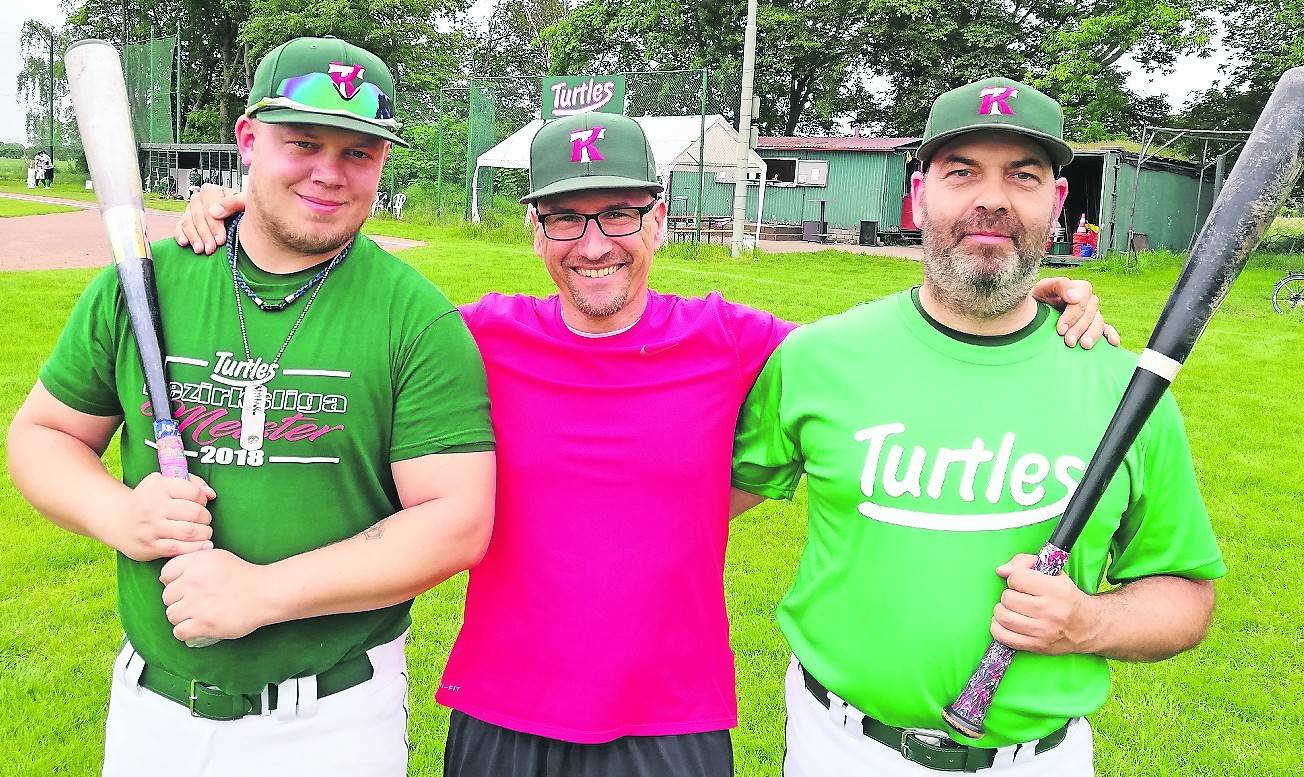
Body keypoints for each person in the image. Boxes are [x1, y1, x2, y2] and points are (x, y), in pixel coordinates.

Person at [176, 111, 1116, 776]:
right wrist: (240, 212)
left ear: (658, 218)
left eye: (620, 212)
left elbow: (890, 354)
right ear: (533, 227)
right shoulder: (469, 337)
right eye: (566, 217)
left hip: (674, 718)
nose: (596, 243)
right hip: (504, 710)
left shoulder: (736, 341)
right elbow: (336, 301)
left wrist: (1022, 300)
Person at [6, 36, 495, 777]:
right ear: (248, 139)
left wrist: (264, 592)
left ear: (383, 162)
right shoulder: (149, 278)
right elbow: (43, 434)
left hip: (333, 722)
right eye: (302, 142)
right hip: (153, 712)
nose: (329, 173)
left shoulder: (416, 319)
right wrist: (121, 515)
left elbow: (456, 522)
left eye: (358, 152)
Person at [731, 78, 1225, 776]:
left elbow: (1186, 596)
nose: (990, 198)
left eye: (1022, 176)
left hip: (1037, 761)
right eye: (961, 172)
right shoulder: (819, 358)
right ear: (919, 192)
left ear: (1056, 203)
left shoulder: (1122, 389)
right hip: (839, 746)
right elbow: (702, 497)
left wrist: (1089, 621)